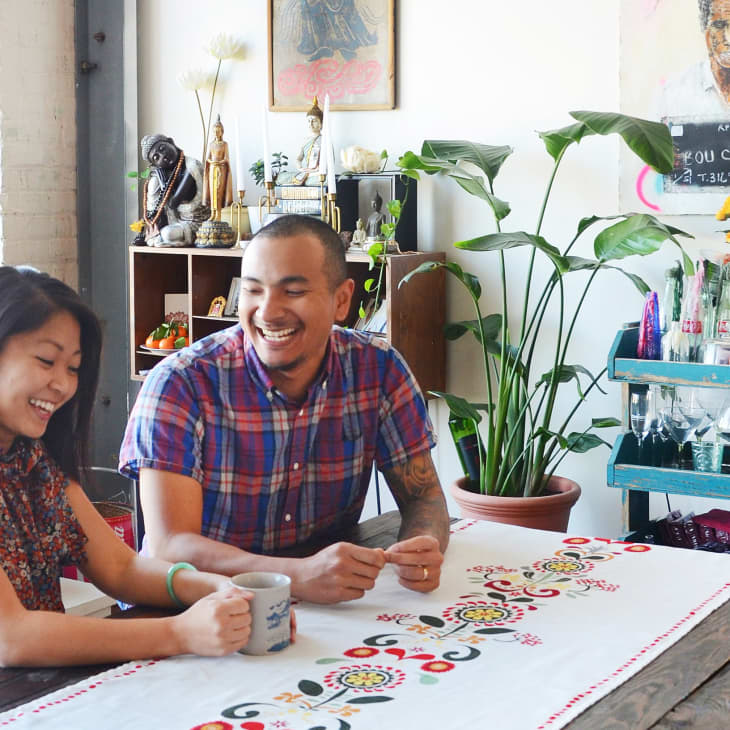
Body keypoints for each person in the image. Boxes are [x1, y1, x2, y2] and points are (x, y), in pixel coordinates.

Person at [119, 214, 449, 605]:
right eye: (253, 290)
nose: (267, 311)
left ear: (342, 300)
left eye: (292, 292)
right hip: (188, 610)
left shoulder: (378, 368)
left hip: (321, 605)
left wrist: (422, 544)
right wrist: (295, 576)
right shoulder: (180, 383)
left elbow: (424, 497)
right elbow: (169, 547)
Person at [0, 265, 259, 667]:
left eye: (73, 368)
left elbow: (119, 568)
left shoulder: (34, 459)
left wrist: (212, 587)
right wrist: (179, 632)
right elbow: (11, 637)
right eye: (46, 360)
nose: (64, 385)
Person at [141, 133, 210, 247]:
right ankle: (156, 237)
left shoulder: (191, 167)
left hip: (198, 223)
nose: (163, 156)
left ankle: (160, 238)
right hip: (177, 222)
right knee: (153, 182)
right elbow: (154, 212)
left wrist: (164, 183)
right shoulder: (167, 174)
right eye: (156, 158)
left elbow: (173, 203)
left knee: (167, 234)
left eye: (162, 149)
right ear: (155, 165)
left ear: (171, 142)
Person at [275, 97, 323, 186]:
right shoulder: (305, 141)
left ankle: (307, 181)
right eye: (309, 121)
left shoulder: (325, 141)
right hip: (304, 173)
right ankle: (305, 181)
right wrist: (300, 167)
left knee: (325, 180)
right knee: (281, 177)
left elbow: (329, 163)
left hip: (316, 174)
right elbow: (298, 158)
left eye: (314, 121)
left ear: (321, 123)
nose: (311, 123)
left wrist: (316, 170)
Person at [202, 115, 234, 222]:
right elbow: (208, 159)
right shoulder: (211, 144)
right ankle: (212, 213)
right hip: (212, 170)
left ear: (222, 132)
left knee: (219, 192)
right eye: (215, 131)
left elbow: (226, 158)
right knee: (212, 192)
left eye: (218, 131)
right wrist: (212, 162)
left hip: (221, 170)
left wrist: (219, 162)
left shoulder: (224, 144)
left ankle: (218, 215)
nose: (216, 133)